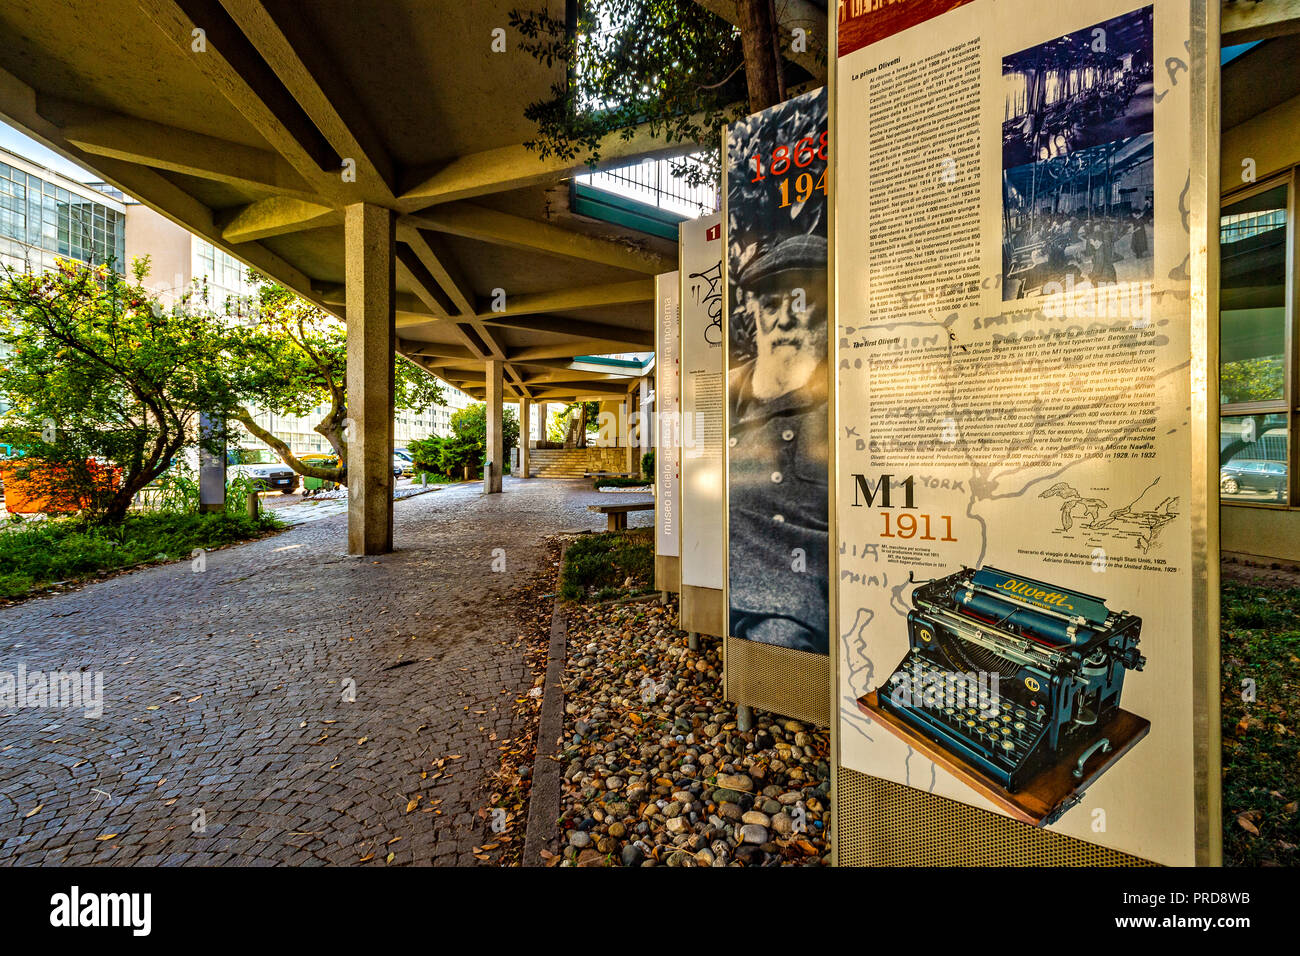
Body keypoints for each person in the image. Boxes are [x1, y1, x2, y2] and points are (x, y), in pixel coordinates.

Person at [728, 233, 829, 654]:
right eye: (771, 305)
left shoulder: (847, 403)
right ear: (754, 313)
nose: (784, 319)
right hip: (723, 583)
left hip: (791, 609)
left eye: (802, 304)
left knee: (781, 645)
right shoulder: (729, 392)